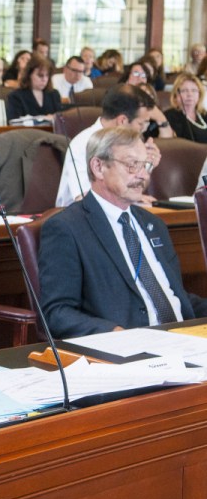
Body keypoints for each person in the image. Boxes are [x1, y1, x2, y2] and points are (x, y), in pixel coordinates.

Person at [39, 126, 207, 338]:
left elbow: (173, 295)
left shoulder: (153, 223)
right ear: (98, 167)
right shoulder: (66, 228)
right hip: (130, 347)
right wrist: (115, 334)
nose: (143, 175)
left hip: (184, 338)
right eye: (131, 165)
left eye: (144, 165)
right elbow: (57, 313)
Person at [55, 84, 168, 207]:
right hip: (79, 217)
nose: (144, 130)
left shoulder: (131, 144)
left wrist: (147, 165)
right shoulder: (83, 144)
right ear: (122, 121)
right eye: (141, 124)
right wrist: (129, 198)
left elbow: (134, 187)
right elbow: (83, 198)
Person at [5, 55, 62, 121]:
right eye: (40, 75)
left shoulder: (54, 94)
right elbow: (14, 122)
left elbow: (61, 119)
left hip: (50, 131)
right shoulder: (16, 96)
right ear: (29, 75)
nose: (45, 79)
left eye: (47, 75)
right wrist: (43, 118)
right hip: (27, 131)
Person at [164, 73, 207, 143]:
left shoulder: (204, 114)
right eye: (184, 90)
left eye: (194, 90)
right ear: (176, 95)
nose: (190, 94)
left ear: (199, 94)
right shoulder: (169, 116)